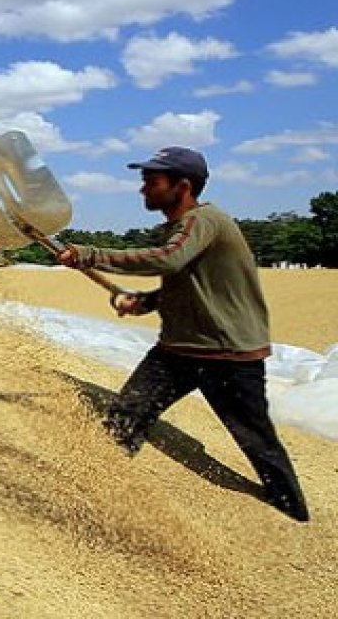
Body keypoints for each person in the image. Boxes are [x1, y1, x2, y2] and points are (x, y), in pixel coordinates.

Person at [57, 146, 309, 522]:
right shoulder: (180, 229)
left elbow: (167, 259)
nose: (143, 189)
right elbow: (187, 283)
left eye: (153, 181)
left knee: (256, 440)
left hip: (227, 353)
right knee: (126, 416)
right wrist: (145, 303)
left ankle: (293, 515)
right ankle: (97, 497)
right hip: (178, 351)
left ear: (183, 186)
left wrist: (89, 254)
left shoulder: (202, 220)